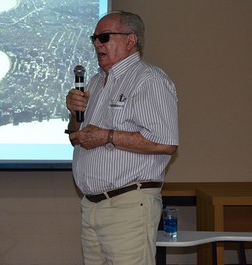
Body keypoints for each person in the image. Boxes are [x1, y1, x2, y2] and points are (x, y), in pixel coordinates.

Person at [65, 11, 179, 265]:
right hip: (91, 206)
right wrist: (74, 114)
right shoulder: (95, 82)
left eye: (104, 37)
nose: (97, 44)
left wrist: (108, 136)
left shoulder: (149, 80)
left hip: (128, 206)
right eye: (94, 38)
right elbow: (77, 137)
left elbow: (166, 143)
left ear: (131, 40)